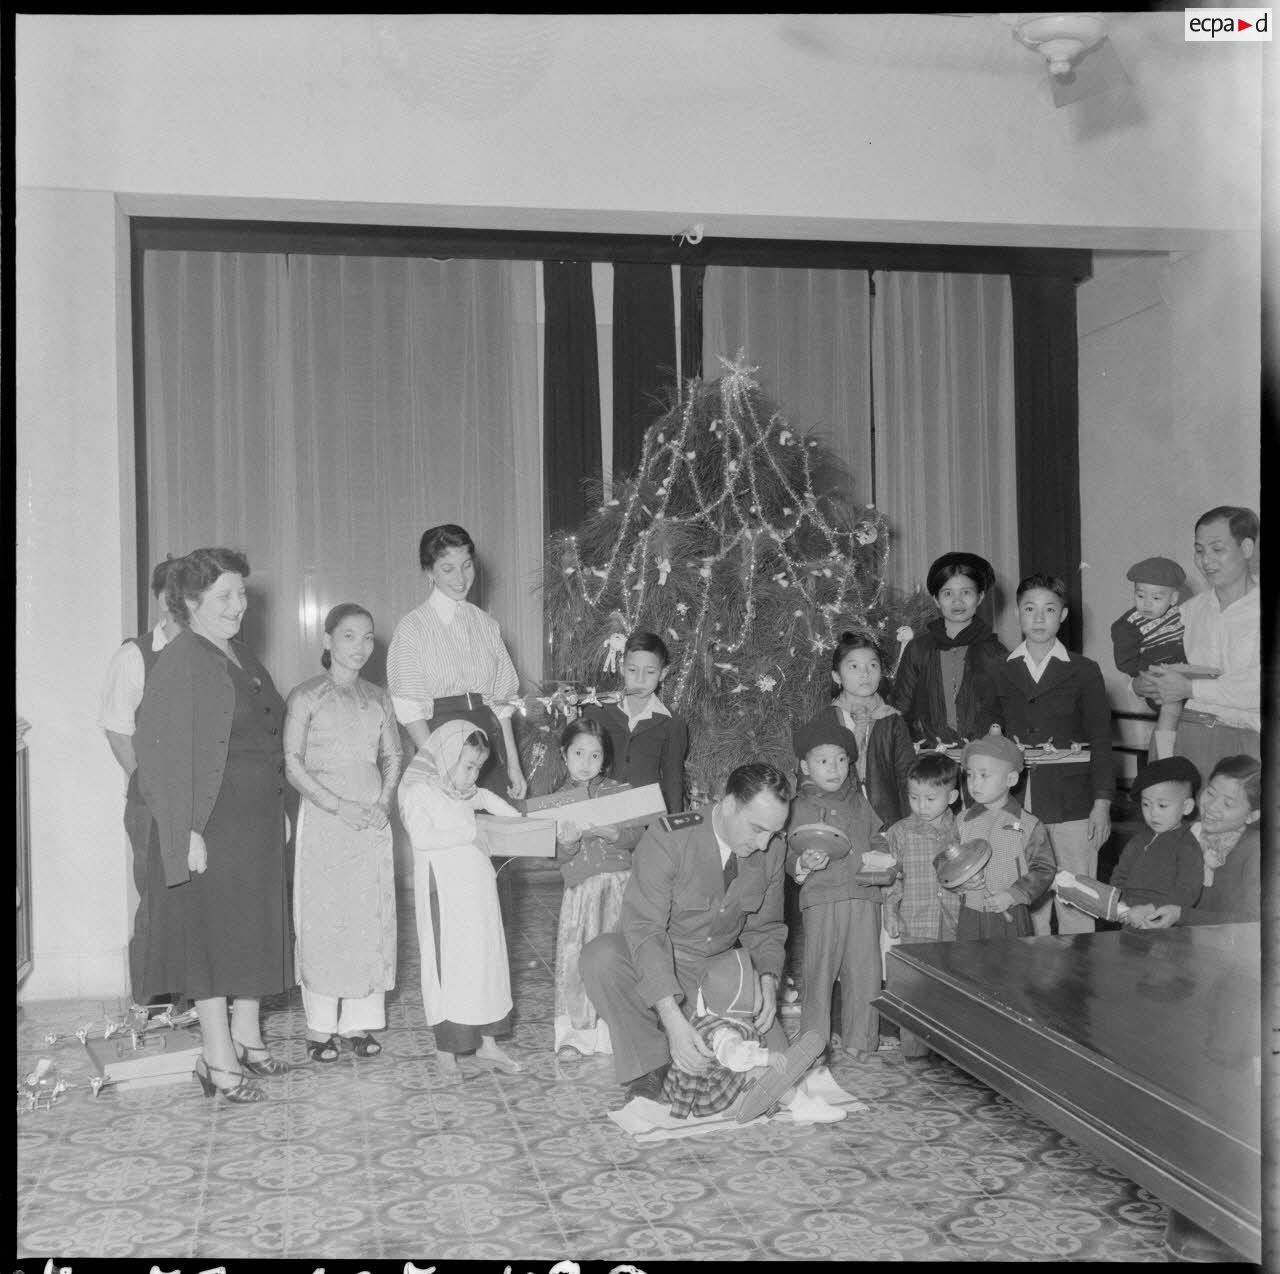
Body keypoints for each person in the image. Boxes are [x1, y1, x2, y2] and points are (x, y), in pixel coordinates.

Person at [133, 548, 292, 1103]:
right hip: (209, 823)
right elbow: (158, 756)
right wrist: (186, 831)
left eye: (242, 594)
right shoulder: (182, 659)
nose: (238, 605)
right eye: (224, 596)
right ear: (191, 602)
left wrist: (280, 811)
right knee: (210, 938)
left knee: (249, 928)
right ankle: (216, 1057)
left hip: (254, 821)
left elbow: (268, 736)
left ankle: (246, 1038)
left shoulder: (242, 654)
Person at [579, 762, 798, 1105]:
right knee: (601, 958)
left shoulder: (772, 850)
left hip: (718, 969)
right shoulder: (669, 838)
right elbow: (645, 930)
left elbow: (766, 929)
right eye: (757, 828)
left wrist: (767, 982)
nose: (764, 843)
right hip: (661, 957)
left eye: (775, 832)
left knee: (777, 1071)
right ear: (728, 805)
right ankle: (651, 1065)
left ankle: (698, 1049)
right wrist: (672, 1018)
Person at [284, 604, 404, 1063]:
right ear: (328, 641)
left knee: (366, 917)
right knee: (323, 920)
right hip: (325, 820)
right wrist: (338, 806)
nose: (360, 647)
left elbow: (392, 756)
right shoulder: (306, 696)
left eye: (368, 637)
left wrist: (382, 804)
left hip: (371, 822)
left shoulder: (378, 698)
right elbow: (292, 763)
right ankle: (319, 1027)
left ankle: (359, 1023)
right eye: (350, 636)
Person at [397, 719, 525, 1080]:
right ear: (445, 756)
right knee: (450, 967)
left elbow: (504, 811)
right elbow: (422, 838)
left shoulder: (471, 793)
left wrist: (533, 826)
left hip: (479, 892)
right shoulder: (419, 793)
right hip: (445, 894)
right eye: (467, 765)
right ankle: (446, 1051)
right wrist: (473, 830)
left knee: (486, 961)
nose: (473, 775)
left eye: (478, 768)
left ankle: (488, 1043)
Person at [993, 573, 1113, 936]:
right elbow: (990, 733)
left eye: (1049, 609)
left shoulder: (1083, 670)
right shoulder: (1000, 670)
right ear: (1017, 614)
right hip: (1019, 801)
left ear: (1063, 616)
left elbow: (1102, 739)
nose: (1040, 618)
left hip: (1072, 803)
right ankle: (1033, 985)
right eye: (1030, 609)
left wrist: (1102, 803)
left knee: (1076, 894)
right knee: (1029, 900)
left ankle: (1081, 982)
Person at [387, 523, 527, 799]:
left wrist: (513, 764)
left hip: (487, 745)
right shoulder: (412, 628)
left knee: (495, 833)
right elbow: (409, 709)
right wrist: (439, 766)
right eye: (447, 569)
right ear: (429, 572)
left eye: (466, 565)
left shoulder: (487, 625)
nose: (460, 578)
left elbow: (502, 703)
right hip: (441, 744)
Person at [98, 555, 184, 1005]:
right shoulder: (135, 655)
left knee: (199, 900)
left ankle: (199, 999)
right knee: (156, 899)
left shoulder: (211, 651)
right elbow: (117, 732)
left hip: (202, 801)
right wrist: (150, 787)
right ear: (160, 598)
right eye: (173, 593)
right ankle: (151, 1001)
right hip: (151, 802)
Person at [784, 716, 892, 1063]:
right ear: (804, 765)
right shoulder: (798, 806)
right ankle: (813, 1044)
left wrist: (882, 858)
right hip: (822, 896)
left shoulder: (860, 801)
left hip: (863, 895)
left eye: (842, 759)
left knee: (865, 971)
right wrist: (803, 864)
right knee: (819, 971)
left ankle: (860, 1038)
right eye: (823, 761)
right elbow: (788, 853)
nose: (835, 769)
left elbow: (877, 837)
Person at [1133, 507, 1259, 776]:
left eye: (1217, 549)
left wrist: (1189, 688)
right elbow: (1152, 661)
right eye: (1200, 550)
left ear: (1246, 548)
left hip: (1247, 745)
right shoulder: (1186, 612)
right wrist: (1141, 683)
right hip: (1182, 736)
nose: (1206, 561)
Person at [659, 948, 840, 1124]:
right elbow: (737, 1055)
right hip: (715, 1099)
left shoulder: (726, 1017)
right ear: (740, 998)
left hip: (725, 1084)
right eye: (756, 989)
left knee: (789, 1083)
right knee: (763, 1073)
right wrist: (767, 1057)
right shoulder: (724, 1032)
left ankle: (784, 1096)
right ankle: (803, 1107)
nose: (761, 991)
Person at [551, 716, 643, 1056]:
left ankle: (616, 1032)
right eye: (578, 754)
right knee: (577, 960)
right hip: (581, 894)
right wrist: (569, 843)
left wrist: (616, 833)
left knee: (619, 958)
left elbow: (639, 835)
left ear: (605, 758)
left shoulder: (619, 793)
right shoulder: (555, 803)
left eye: (595, 755)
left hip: (620, 888)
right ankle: (578, 1035)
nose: (586, 763)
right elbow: (558, 857)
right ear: (564, 754)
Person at [884, 752, 962, 1060]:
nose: (920, 806)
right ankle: (913, 1052)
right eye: (914, 797)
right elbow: (892, 877)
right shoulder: (900, 832)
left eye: (930, 798)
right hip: (916, 922)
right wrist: (890, 911)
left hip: (956, 921)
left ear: (952, 796)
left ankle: (953, 1052)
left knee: (953, 989)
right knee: (914, 990)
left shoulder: (963, 829)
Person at [889, 551, 1007, 748]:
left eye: (966, 592)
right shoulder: (918, 649)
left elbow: (1004, 709)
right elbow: (901, 706)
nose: (957, 601)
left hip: (982, 756)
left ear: (980, 597)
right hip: (929, 757)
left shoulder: (995, 652)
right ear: (936, 599)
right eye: (948, 593)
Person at [1129, 755, 1260, 929]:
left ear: (1252, 816)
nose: (1212, 806)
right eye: (1210, 793)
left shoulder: (1256, 851)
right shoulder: (1184, 834)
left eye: (1227, 804)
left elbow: (1253, 923)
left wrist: (1181, 915)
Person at [954, 733, 1056, 939]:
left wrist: (1013, 895)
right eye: (970, 775)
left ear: (1011, 779)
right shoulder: (962, 820)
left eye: (984, 775)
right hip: (970, 915)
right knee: (968, 967)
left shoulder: (1029, 824)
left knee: (1011, 969)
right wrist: (961, 883)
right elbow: (948, 862)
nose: (974, 783)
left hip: (1011, 914)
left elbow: (1044, 869)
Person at [811, 630, 915, 828]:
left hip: (886, 817)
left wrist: (909, 822)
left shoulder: (891, 720)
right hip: (840, 819)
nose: (865, 673)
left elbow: (907, 776)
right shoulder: (827, 720)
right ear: (837, 676)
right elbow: (811, 778)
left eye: (873, 665)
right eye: (854, 666)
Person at [581, 630, 689, 814]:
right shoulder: (597, 711)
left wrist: (674, 826)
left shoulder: (672, 724)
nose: (640, 679)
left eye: (650, 672)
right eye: (632, 670)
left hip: (645, 818)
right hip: (600, 812)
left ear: (663, 673)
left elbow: (673, 778)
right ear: (622, 668)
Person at [1110, 556, 1189, 760]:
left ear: (1173, 599)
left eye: (1156, 598)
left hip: (1184, 673)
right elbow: (1125, 661)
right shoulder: (1129, 624)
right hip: (1157, 677)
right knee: (1172, 708)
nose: (1146, 604)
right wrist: (1143, 674)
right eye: (1140, 595)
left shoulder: (1180, 613)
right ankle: (1165, 756)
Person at [1108, 756, 1203, 918]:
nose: (1153, 813)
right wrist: (1118, 902)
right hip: (1128, 915)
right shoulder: (1138, 840)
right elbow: (1120, 874)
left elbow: (1187, 892)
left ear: (1186, 807)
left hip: (1162, 920)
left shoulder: (1187, 846)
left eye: (1162, 805)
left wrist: (1151, 909)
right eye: (1146, 804)